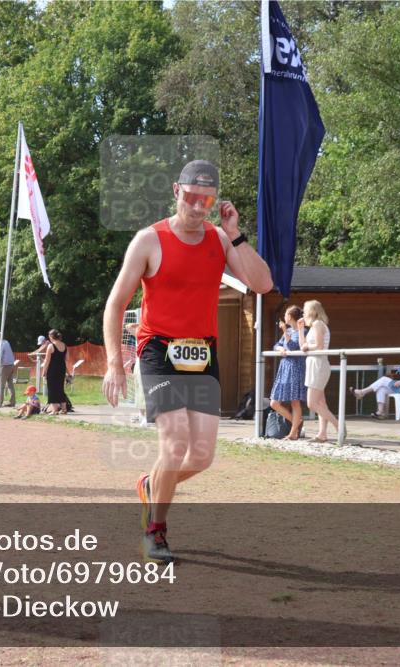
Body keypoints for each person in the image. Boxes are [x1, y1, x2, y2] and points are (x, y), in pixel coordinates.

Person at [102, 159, 272, 563]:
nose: (198, 207)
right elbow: (115, 305)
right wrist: (113, 362)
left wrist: (237, 235)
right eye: (192, 197)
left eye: (207, 200)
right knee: (175, 441)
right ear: (176, 191)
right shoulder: (148, 240)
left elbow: (263, 284)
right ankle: (155, 531)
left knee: (202, 456)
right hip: (159, 349)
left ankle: (151, 483)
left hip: (202, 351)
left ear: (215, 203)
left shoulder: (219, 239)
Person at [297, 300, 339, 443]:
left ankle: (338, 425)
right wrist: (300, 330)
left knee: (312, 404)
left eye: (305, 310)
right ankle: (322, 434)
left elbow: (319, 346)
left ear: (312, 311)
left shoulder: (318, 324)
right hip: (314, 363)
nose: (303, 312)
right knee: (321, 402)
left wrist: (307, 347)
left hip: (318, 364)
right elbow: (302, 346)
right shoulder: (314, 326)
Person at [269, 305, 308, 439]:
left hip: (296, 367)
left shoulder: (302, 331)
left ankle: (293, 433)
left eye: (286, 314)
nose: (284, 316)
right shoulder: (290, 331)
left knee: (294, 401)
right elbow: (277, 345)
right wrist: (280, 349)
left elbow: (292, 346)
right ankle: (296, 422)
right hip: (285, 367)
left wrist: (285, 331)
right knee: (274, 403)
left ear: (290, 317)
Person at [351, 352, 400, 419]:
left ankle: (362, 392)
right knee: (381, 389)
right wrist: (393, 376)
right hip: (397, 386)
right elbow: (398, 374)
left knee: (383, 379)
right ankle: (380, 412)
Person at [42, 329, 70, 414]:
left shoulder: (51, 346)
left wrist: (44, 371)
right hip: (61, 369)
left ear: (51, 336)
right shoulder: (64, 345)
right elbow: (67, 359)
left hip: (52, 369)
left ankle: (54, 410)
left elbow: (47, 360)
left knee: (52, 389)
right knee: (60, 388)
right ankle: (64, 409)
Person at [0, 332, 16, 408]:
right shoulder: (6, 342)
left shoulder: (0, 344)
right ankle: (12, 402)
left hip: (5, 366)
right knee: (10, 384)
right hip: (11, 365)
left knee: (1, 385)